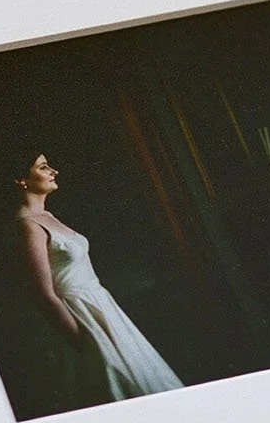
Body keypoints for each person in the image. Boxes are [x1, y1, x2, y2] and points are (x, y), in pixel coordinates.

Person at [15, 153, 185, 401]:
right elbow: (44, 294)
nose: (53, 171)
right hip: (78, 313)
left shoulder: (48, 216)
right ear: (22, 180)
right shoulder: (27, 225)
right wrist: (83, 340)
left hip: (100, 306)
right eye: (43, 167)